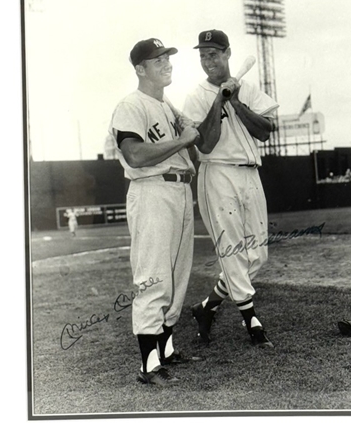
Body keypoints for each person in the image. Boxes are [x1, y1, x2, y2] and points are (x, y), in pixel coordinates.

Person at [109, 37, 200, 387]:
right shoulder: (131, 105)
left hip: (179, 189)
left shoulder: (166, 106)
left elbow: (199, 139)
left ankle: (167, 350)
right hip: (151, 191)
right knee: (153, 276)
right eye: (157, 60)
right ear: (140, 69)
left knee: (177, 276)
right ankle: (148, 366)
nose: (166, 64)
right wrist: (182, 140)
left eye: (167, 58)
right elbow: (134, 155)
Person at [183, 29, 279, 349]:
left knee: (258, 254)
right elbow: (206, 144)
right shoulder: (196, 96)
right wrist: (217, 102)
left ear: (227, 54)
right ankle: (252, 322)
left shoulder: (247, 88)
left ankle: (207, 308)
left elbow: (266, 132)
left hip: (251, 175)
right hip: (218, 174)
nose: (208, 61)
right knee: (233, 250)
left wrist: (236, 102)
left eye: (213, 54)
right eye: (202, 56)